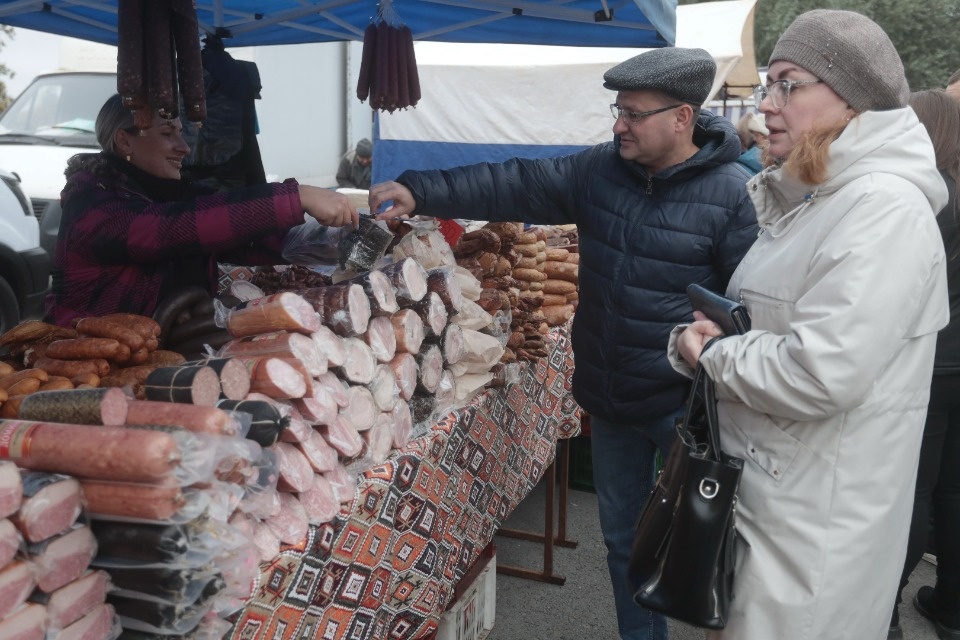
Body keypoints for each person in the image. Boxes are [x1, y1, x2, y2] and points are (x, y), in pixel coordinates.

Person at [369, 47, 758, 640]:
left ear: (681, 118)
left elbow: (749, 307)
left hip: (687, 406)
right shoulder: (598, 170)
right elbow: (514, 181)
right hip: (611, 397)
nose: (618, 123)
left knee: (712, 540)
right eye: (617, 109)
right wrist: (422, 190)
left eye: (633, 113)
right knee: (624, 541)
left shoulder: (735, 195)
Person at [670, 10, 949, 640]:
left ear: (849, 98)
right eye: (769, 84)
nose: (767, 104)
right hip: (777, 502)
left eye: (787, 84)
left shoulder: (883, 211)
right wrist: (710, 343)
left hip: (813, 528)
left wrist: (711, 356)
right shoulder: (823, 199)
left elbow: (820, 373)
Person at [44, 94, 358, 326]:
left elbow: (246, 235)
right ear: (124, 142)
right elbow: (168, 231)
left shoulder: (172, 194)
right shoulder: (92, 203)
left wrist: (340, 238)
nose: (184, 147)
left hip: (164, 351)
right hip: (85, 358)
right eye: (168, 134)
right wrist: (294, 197)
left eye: (181, 133)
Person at [888, 89, 960, 640]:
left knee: (909, 491)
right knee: (951, 489)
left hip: (928, 360)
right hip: (953, 359)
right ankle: (952, 604)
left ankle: (880, 607)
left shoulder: (919, 200)